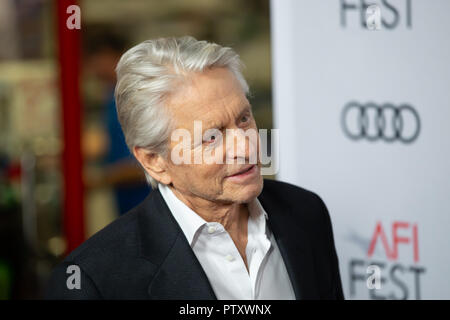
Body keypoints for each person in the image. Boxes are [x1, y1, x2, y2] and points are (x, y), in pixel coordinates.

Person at [46, 36, 344, 299]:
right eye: (212, 137)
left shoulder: (306, 213)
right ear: (154, 161)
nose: (246, 147)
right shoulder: (92, 282)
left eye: (243, 119)